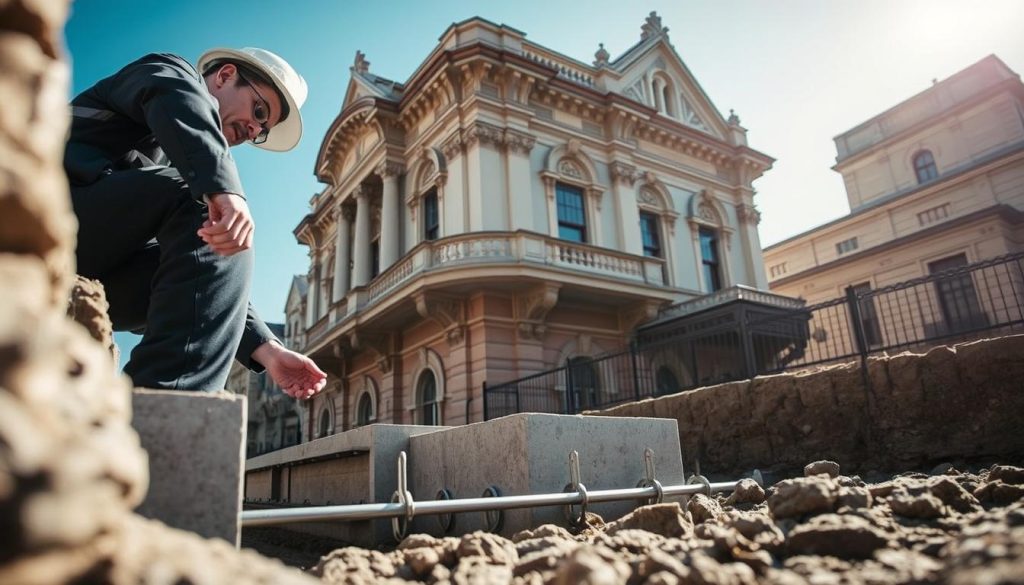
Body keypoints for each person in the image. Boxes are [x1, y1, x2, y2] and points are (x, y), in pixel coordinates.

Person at [65, 47, 327, 399]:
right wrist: (223, 190)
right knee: (208, 208)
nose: (253, 130)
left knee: (213, 234)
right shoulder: (168, 72)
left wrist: (267, 348)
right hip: (44, 216)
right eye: (259, 110)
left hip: (91, 265)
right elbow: (177, 99)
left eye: (262, 130)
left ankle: (155, 401)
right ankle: (168, 400)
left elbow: (206, 266)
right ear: (224, 75)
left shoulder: (179, 166)